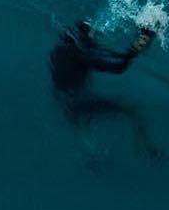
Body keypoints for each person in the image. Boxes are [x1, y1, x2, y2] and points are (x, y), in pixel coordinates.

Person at [49, 20, 159, 159]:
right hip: (79, 101)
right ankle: (148, 150)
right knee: (133, 110)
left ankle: (94, 157)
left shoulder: (57, 51)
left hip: (64, 103)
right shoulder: (83, 55)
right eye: (92, 36)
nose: (95, 39)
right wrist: (142, 40)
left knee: (82, 123)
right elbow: (119, 67)